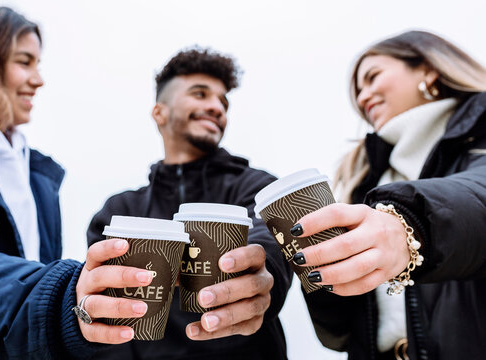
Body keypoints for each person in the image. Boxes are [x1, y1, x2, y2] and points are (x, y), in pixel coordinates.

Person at [0, 4, 160, 359]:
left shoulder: (38, 179)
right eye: (24, 61)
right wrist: (63, 298)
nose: (39, 79)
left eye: (38, 64)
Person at [290, 31, 486, 360]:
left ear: (428, 69)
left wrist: (409, 224)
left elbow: (477, 193)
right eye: (358, 92)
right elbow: (338, 336)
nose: (364, 96)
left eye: (372, 77)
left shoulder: (479, 134)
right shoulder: (363, 184)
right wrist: (323, 274)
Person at [87, 48, 293, 359]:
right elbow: (105, 321)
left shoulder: (256, 186)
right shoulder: (120, 212)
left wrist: (264, 277)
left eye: (223, 102)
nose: (216, 107)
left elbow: (269, 242)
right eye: (200, 94)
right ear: (160, 112)